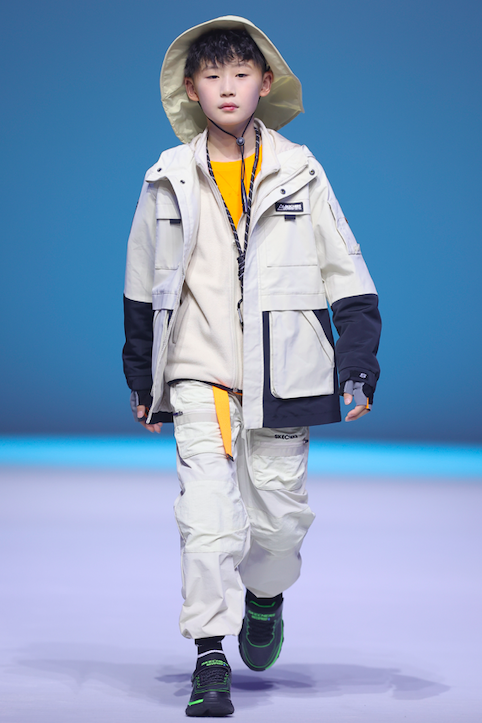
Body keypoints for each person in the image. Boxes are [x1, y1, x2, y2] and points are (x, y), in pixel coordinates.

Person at [123, 15, 381, 717]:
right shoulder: (166, 178)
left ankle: (265, 597)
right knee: (206, 519)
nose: (228, 87)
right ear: (191, 88)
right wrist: (142, 375)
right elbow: (142, 281)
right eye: (213, 76)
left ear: (265, 83)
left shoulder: (301, 170)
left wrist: (358, 362)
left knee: (277, 527)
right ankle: (209, 656)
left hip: (286, 373)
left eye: (241, 74)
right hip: (198, 371)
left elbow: (345, 268)